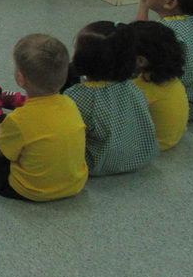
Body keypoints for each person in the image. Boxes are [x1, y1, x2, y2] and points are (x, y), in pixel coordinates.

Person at [0, 34, 88, 201]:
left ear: (20, 78)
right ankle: (2, 130)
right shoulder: (71, 103)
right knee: (26, 136)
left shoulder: (20, 118)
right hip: (75, 185)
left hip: (31, 190)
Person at [62, 22, 157, 175]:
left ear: (81, 58)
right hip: (140, 157)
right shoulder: (135, 88)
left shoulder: (76, 95)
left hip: (97, 163)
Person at [130, 20, 189, 150]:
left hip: (152, 145)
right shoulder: (172, 79)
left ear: (141, 61)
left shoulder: (140, 90)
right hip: (172, 137)